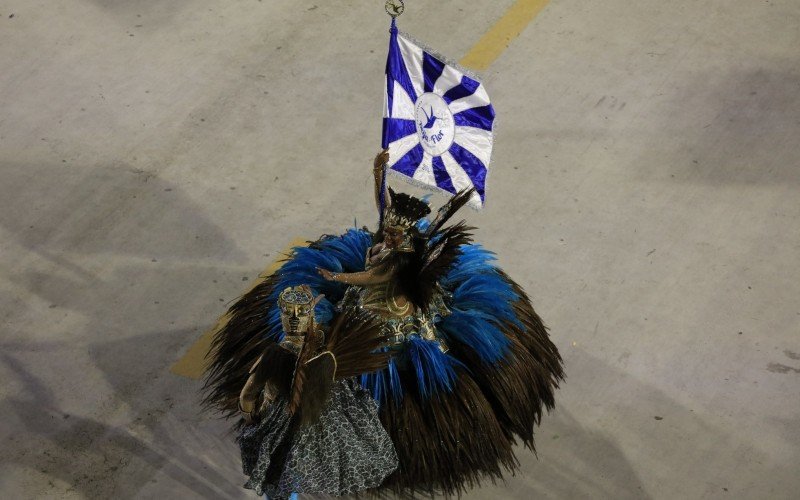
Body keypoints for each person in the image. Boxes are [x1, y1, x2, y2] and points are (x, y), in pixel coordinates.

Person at [205, 285, 397, 499]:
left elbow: (247, 395)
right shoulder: (326, 348)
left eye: (301, 311)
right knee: (292, 474)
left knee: (278, 477)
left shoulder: (275, 355)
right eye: (290, 312)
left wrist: (252, 421)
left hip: (285, 428)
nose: (295, 318)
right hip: (317, 427)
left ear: (310, 313)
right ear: (283, 313)